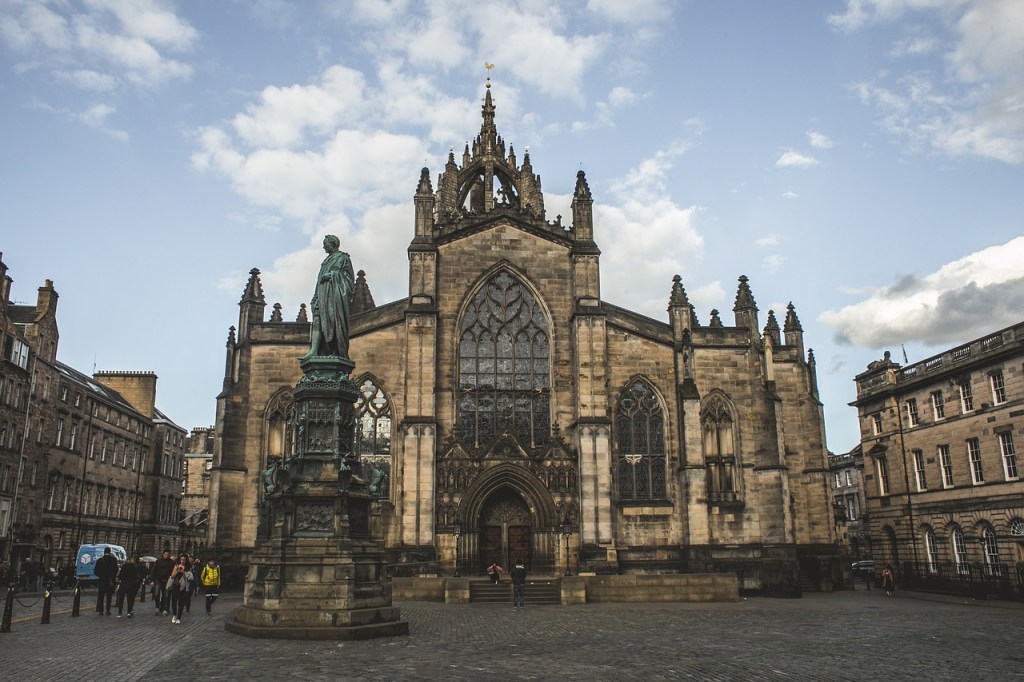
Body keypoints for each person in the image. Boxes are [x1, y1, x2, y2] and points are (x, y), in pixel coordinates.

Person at [300, 234, 355, 360]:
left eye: (325, 244)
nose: (323, 246)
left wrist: (332, 276)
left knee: (334, 322)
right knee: (317, 322)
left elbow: (349, 279)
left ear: (333, 244)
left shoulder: (342, 257)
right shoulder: (326, 260)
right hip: (322, 294)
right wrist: (315, 296)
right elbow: (319, 280)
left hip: (334, 296)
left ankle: (336, 351)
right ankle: (314, 351)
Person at [167, 554, 194, 624]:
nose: (183, 561)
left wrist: (183, 573)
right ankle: (174, 615)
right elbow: (172, 576)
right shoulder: (176, 566)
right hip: (175, 585)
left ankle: (179, 617)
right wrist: (177, 571)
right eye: (181, 559)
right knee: (174, 601)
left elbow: (190, 578)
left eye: (184, 560)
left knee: (181, 602)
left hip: (183, 586)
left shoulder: (188, 568)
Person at [93, 547, 119, 615]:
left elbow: (95, 571)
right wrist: (112, 576)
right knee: (109, 596)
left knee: (101, 596)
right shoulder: (113, 560)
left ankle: (101, 611)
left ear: (104, 552)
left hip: (102, 580)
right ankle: (108, 610)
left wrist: (101, 575)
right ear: (110, 552)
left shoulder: (99, 560)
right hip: (110, 580)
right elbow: (116, 570)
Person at [151, 550, 175, 616]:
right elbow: (153, 571)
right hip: (159, 580)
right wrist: (152, 580)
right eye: (165, 554)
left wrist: (172, 579)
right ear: (163, 554)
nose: (166, 556)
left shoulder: (171, 562)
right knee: (156, 594)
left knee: (166, 595)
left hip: (167, 580)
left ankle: (165, 609)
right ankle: (157, 607)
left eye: (167, 554)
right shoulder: (158, 561)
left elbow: (173, 572)